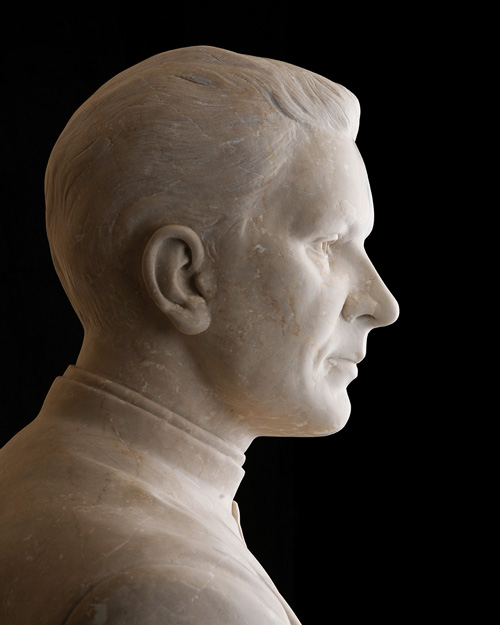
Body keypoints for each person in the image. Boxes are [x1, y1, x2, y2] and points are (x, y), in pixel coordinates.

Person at [0, 45, 399, 624]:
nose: (380, 303)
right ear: (184, 277)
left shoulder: (30, 473)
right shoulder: (169, 593)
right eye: (326, 245)